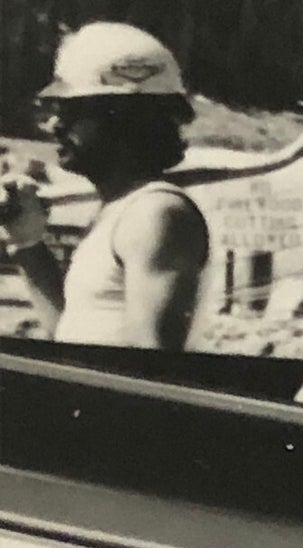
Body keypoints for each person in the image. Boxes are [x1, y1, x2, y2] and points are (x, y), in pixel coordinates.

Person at [0, 22, 209, 350]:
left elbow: (150, 368)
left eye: (70, 112)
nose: (54, 125)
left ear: (123, 118)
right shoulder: (122, 210)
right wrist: (27, 242)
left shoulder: (155, 214)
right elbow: (73, 340)